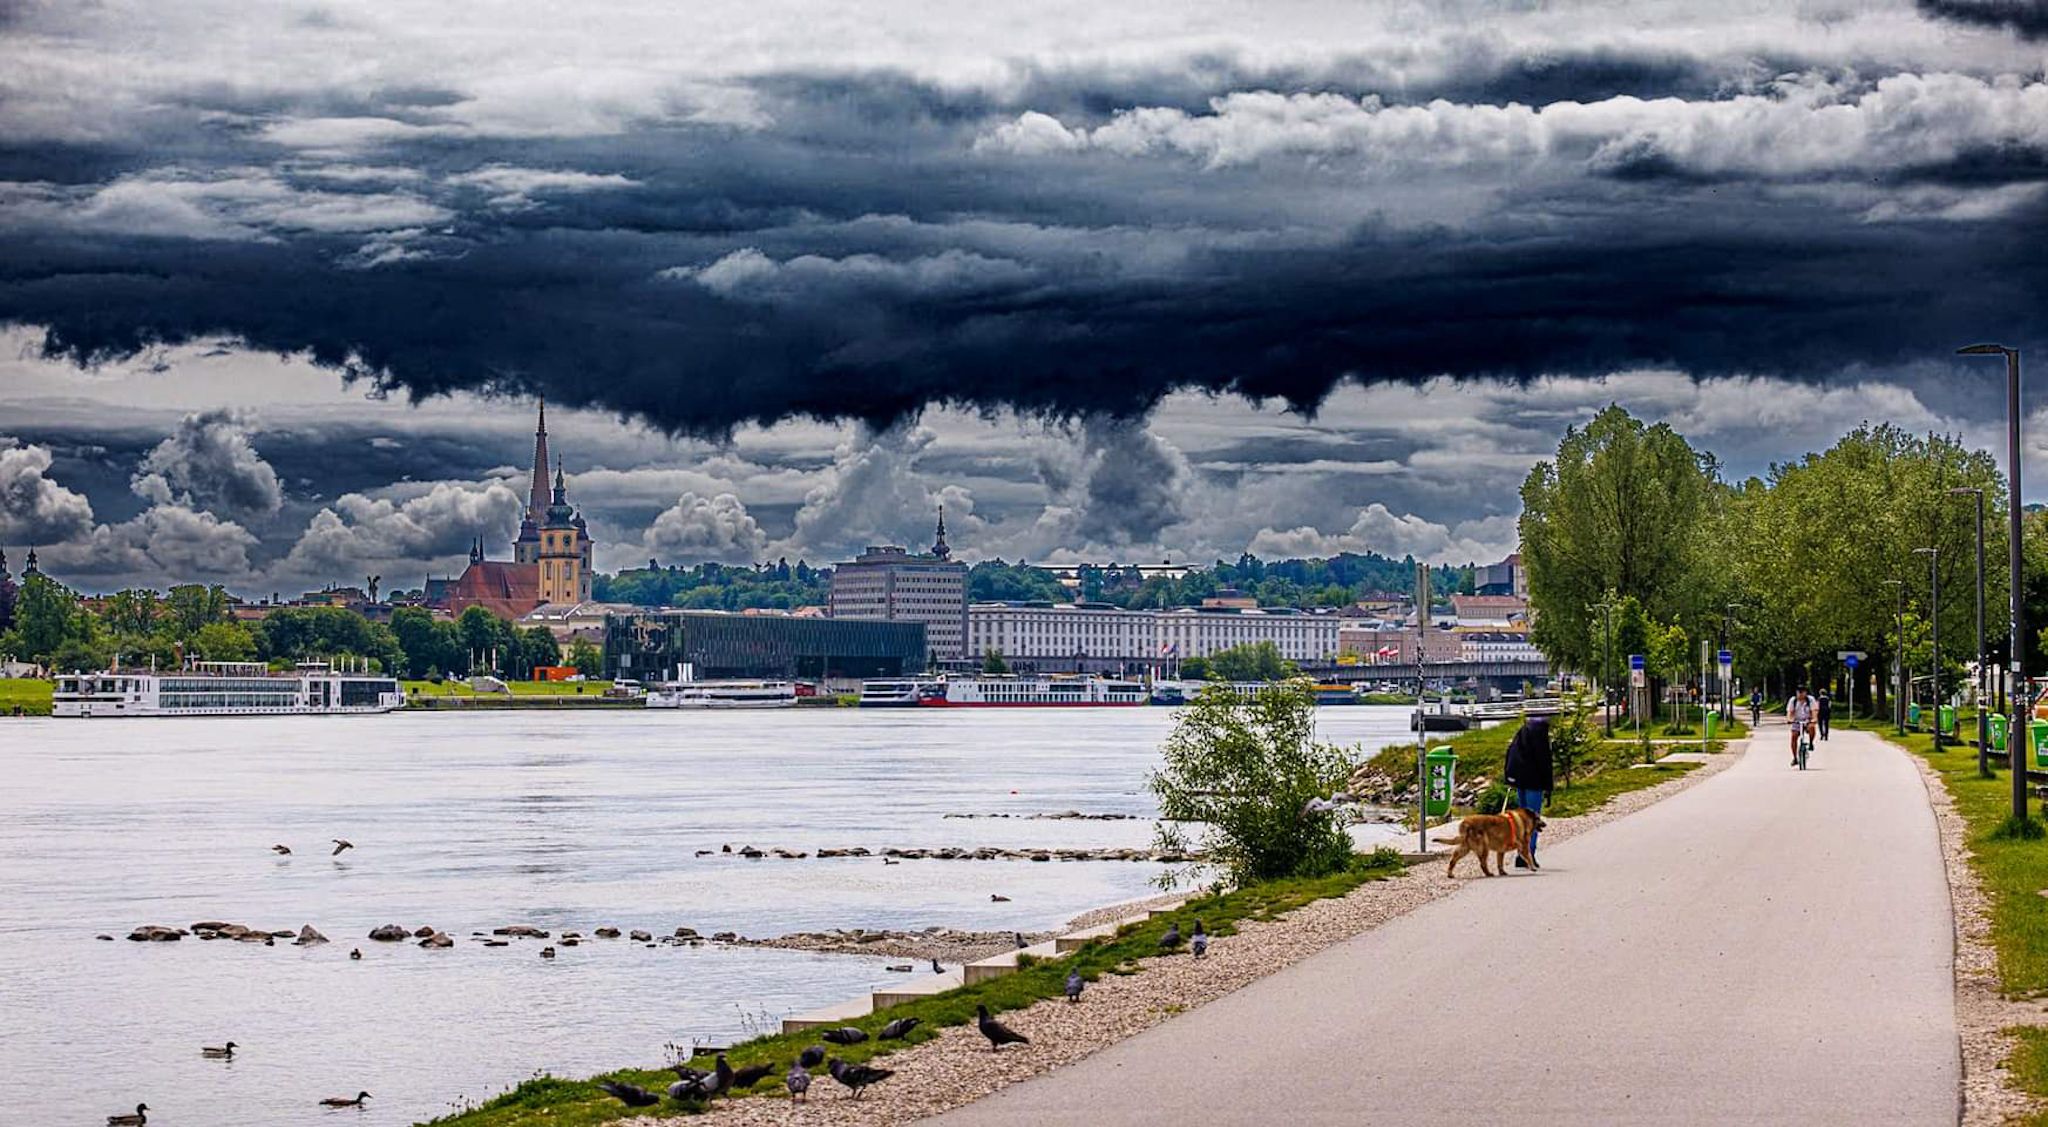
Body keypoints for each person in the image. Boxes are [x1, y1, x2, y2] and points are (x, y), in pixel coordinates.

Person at [1502, 715, 1553, 868]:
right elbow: (1545, 764)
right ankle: (1529, 854)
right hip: (1534, 783)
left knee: (1521, 821)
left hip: (1519, 782)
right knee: (1533, 820)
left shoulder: (1521, 735)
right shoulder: (1540, 738)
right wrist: (1548, 787)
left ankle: (1520, 854)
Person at [1786, 687, 1817, 766]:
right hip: (1796, 721)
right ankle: (1795, 758)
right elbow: (1790, 712)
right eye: (1798, 692)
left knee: (1812, 727)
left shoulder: (1810, 700)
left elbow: (1814, 711)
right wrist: (1789, 719)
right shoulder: (1793, 700)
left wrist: (1814, 719)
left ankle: (1810, 742)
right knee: (1794, 736)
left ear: (1805, 693)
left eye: (1802, 692)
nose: (1800, 694)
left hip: (1807, 720)